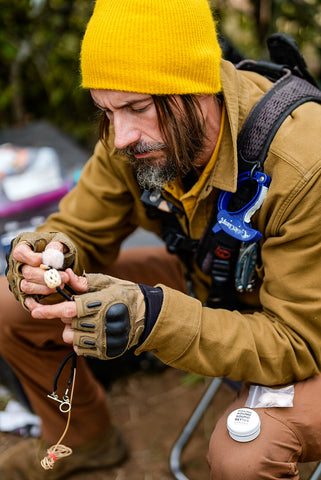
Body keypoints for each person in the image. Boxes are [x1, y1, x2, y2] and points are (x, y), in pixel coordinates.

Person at [1, 0, 321, 479]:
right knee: (10, 307)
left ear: (198, 88)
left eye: (137, 107)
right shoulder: (131, 137)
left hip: (302, 332)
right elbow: (81, 227)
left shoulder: (304, 164)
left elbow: (298, 344)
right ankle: (85, 441)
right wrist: (50, 250)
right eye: (106, 110)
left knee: (244, 455)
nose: (121, 135)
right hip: (217, 285)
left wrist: (154, 317)